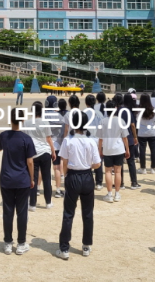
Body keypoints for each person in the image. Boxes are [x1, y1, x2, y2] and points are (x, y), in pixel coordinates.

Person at [56, 110, 102, 260]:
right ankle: (86, 246)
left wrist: (66, 175)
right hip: (87, 176)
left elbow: (64, 161)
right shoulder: (91, 141)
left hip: (73, 176)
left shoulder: (68, 140)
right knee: (88, 213)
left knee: (68, 213)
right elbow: (97, 164)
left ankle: (64, 248)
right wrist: (87, 166)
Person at [0, 107, 36, 255]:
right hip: (22, 179)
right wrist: (32, 179)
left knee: (7, 211)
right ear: (23, 120)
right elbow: (30, 162)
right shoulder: (27, 139)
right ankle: (21, 243)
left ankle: (7, 243)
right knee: (22, 212)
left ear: (10, 120)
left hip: (6, 179)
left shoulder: (4, 136)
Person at [25, 101, 55, 211]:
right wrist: (53, 151)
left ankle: (32, 204)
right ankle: (48, 202)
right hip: (45, 152)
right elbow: (49, 138)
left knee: (33, 178)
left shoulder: (27, 123)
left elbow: (25, 138)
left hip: (33, 153)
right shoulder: (45, 122)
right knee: (47, 178)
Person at [99, 100, 130, 203]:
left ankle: (109, 194)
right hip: (119, 149)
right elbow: (125, 137)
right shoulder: (121, 121)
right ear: (116, 109)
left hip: (107, 149)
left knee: (107, 171)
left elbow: (100, 138)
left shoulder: (103, 121)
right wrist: (127, 149)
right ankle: (117, 194)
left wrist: (100, 149)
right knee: (118, 171)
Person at [48, 96, 70, 198]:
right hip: (56, 144)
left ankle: (38, 189)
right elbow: (63, 130)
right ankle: (57, 190)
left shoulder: (42, 115)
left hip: (44, 145)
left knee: (39, 169)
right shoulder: (59, 116)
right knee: (56, 168)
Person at [83, 94, 104, 190]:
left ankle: (88, 181)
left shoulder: (84, 112)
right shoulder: (99, 113)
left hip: (87, 139)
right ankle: (99, 182)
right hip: (97, 139)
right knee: (98, 160)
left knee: (87, 161)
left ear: (86, 103)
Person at [119, 93, 140, 190]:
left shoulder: (117, 110)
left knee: (119, 162)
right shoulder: (128, 111)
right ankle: (134, 182)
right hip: (129, 138)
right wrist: (135, 137)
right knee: (131, 161)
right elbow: (132, 125)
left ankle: (121, 183)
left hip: (119, 139)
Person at [137, 93, 155, 174]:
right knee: (153, 151)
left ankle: (143, 168)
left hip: (142, 132)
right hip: (152, 132)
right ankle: (153, 168)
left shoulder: (138, 110)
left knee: (142, 151)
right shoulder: (154, 110)